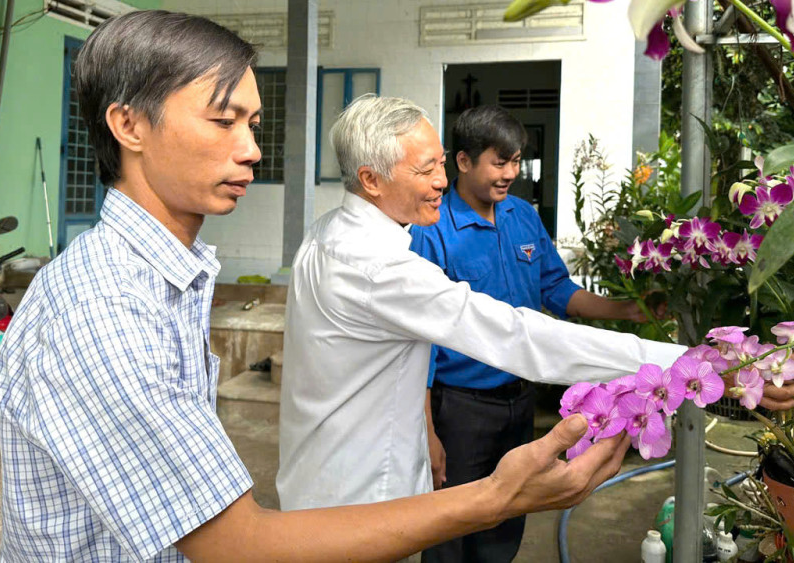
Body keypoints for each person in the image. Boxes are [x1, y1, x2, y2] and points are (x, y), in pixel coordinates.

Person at [0, 11, 635, 562]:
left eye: (254, 124)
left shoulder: (170, 281)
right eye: (223, 122)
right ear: (129, 126)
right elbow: (235, 543)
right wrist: (495, 497)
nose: (251, 150)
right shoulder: (105, 307)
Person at [409, 105, 794, 562]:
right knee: (451, 524)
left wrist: (628, 312)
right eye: (500, 162)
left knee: (506, 518)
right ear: (463, 161)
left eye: (517, 161)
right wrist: (428, 431)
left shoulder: (520, 216)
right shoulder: (432, 231)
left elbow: (557, 290)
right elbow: (421, 341)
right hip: (461, 408)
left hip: (519, 400)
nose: (511, 174)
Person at [277, 95, 691, 516]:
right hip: (362, 496)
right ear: (371, 179)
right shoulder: (380, 265)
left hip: (333, 478)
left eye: (440, 163)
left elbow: (552, 291)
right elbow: (516, 334)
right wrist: (687, 364)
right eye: (426, 169)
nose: (441, 180)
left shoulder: (328, 231)